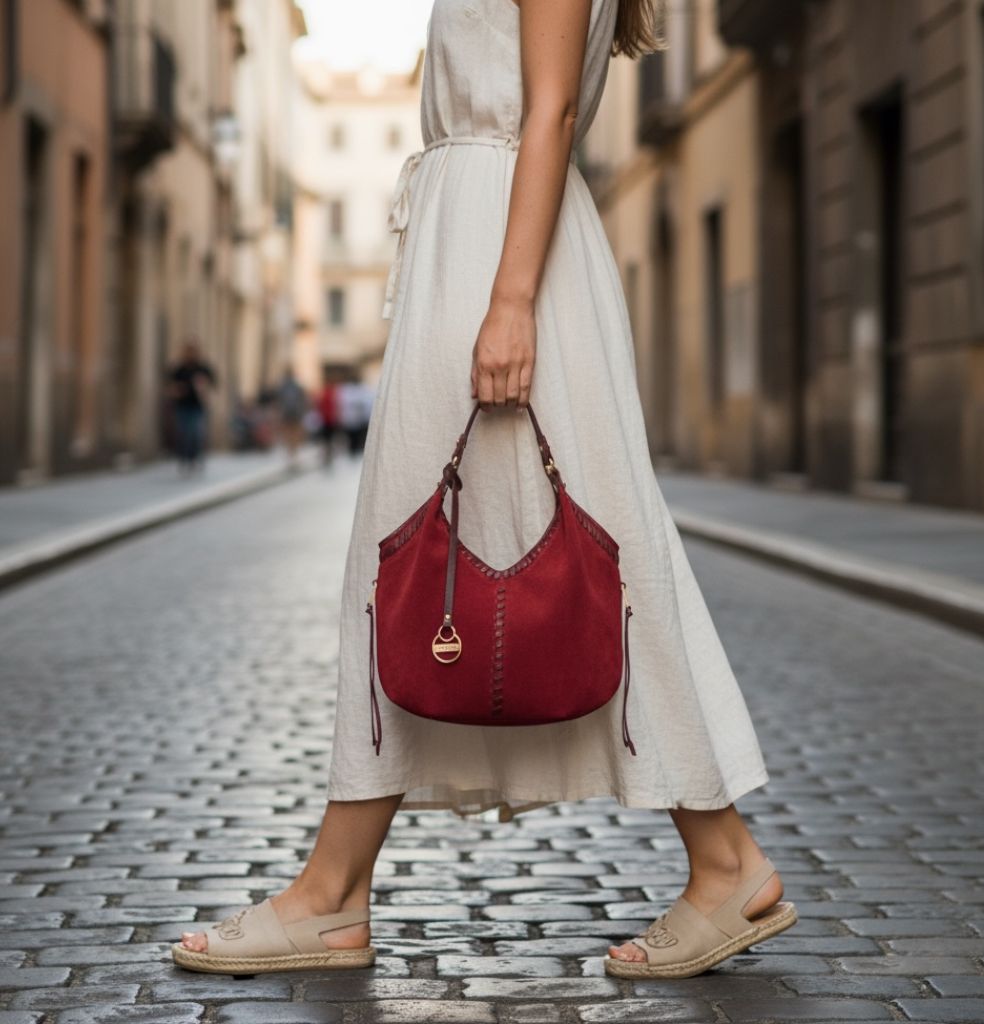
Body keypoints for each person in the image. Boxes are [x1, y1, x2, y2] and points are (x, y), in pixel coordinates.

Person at [174, 0, 796, 980]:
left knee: (566, 553)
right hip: (480, 245)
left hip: (505, 257)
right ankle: (339, 887)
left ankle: (338, 894)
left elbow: (545, 111)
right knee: (471, 552)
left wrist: (507, 303)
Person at [168, 341, 216, 474]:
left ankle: (196, 459)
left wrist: (203, 386)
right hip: (182, 406)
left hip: (198, 407)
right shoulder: (180, 369)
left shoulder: (203, 368)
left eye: (193, 351)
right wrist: (178, 390)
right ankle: (183, 459)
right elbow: (172, 387)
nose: (191, 354)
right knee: (183, 434)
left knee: (196, 433)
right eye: (189, 351)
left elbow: (213, 385)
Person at [276, 368, 308, 469]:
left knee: (288, 434)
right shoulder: (298, 386)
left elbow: (279, 402)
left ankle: (290, 454)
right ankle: (294, 454)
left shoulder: (282, 387)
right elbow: (303, 401)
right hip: (296, 413)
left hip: (286, 414)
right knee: (295, 434)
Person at [316, 379, 340, 469]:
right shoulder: (333, 395)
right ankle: (329, 453)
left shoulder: (323, 395)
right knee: (330, 438)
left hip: (325, 419)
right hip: (330, 419)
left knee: (326, 438)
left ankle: (328, 454)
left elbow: (319, 406)